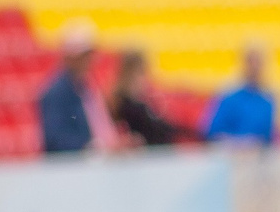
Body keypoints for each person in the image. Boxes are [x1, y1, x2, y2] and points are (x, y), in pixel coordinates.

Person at [37, 22, 117, 155]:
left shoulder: (85, 86)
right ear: (70, 58)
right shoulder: (56, 94)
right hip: (73, 170)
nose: (89, 61)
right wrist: (95, 148)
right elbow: (56, 140)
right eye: (84, 56)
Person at [109, 48, 187, 147]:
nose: (145, 78)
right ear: (130, 73)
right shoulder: (126, 105)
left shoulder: (139, 102)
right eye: (142, 72)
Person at [202, 46, 279, 145]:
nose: (254, 67)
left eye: (258, 62)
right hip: (229, 155)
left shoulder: (268, 102)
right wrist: (238, 143)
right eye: (251, 61)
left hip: (257, 157)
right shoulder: (228, 97)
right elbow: (211, 133)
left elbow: (270, 138)